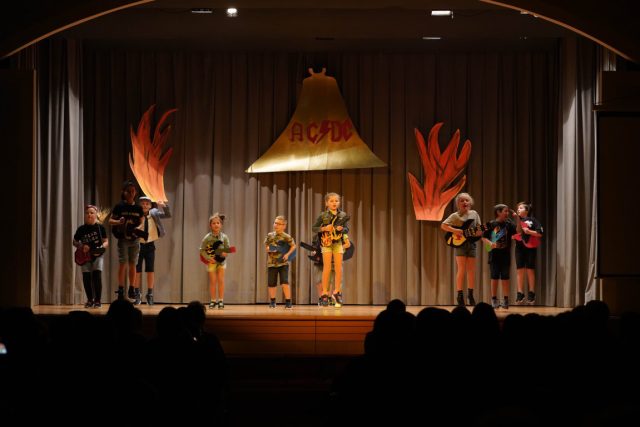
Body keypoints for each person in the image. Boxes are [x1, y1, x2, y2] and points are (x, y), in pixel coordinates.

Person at [441, 192, 483, 306]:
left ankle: (470, 295)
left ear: (470, 202)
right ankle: (460, 295)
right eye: (462, 200)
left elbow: (479, 229)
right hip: (460, 245)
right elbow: (443, 225)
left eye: (467, 200)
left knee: (471, 270)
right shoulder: (455, 215)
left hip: (472, 244)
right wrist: (455, 230)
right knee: (461, 269)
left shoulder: (474, 214)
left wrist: (479, 232)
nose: (465, 202)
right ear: (458, 204)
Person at [312, 192, 350, 307]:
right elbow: (314, 228)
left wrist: (342, 229)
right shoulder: (323, 215)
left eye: (336, 201)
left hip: (338, 243)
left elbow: (347, 229)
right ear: (326, 203)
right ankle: (324, 293)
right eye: (332, 201)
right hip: (326, 243)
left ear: (339, 202)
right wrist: (324, 228)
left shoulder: (343, 215)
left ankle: (337, 292)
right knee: (327, 267)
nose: (334, 203)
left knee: (339, 268)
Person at [109, 180, 145, 302]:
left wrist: (138, 228)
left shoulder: (138, 208)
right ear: (123, 192)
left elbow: (142, 222)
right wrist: (118, 222)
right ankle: (121, 289)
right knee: (123, 263)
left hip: (134, 239)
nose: (131, 193)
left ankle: (132, 288)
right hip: (123, 239)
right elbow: (110, 221)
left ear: (135, 193)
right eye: (128, 191)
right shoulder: (119, 206)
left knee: (133, 264)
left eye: (133, 191)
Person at [133, 196, 171, 306]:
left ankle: (150, 294)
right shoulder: (136, 215)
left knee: (150, 270)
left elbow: (168, 215)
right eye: (142, 203)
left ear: (150, 205)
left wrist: (163, 206)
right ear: (139, 205)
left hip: (150, 245)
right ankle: (137, 294)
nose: (145, 205)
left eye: (147, 203)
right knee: (137, 271)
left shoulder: (154, 213)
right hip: (138, 245)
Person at [482, 204, 517, 309]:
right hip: (494, 255)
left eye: (507, 211)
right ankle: (494, 299)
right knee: (494, 277)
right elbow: (483, 237)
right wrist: (490, 243)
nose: (507, 213)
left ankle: (506, 300)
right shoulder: (490, 224)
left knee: (505, 277)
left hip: (505, 255)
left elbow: (518, 232)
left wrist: (517, 219)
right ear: (498, 212)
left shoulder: (509, 224)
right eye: (505, 211)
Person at [73, 204, 109, 308]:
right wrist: (81, 246)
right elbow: (74, 241)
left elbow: (106, 241)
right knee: (86, 278)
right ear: (85, 215)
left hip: (97, 255)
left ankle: (97, 300)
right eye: (87, 213)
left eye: (92, 213)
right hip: (85, 257)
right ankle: (90, 300)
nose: (89, 215)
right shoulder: (81, 229)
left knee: (97, 276)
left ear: (96, 214)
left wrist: (101, 247)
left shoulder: (100, 228)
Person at [513, 201, 544, 305]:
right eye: (518, 208)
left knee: (530, 269)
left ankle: (531, 292)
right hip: (519, 247)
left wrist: (529, 232)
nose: (518, 209)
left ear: (527, 210)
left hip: (530, 247)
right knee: (519, 270)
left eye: (521, 208)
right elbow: (517, 231)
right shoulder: (516, 220)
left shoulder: (533, 220)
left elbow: (540, 233)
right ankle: (520, 292)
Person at [200, 213, 232, 309]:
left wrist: (225, 253)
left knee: (221, 281)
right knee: (213, 281)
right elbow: (202, 250)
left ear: (221, 225)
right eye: (214, 223)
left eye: (218, 223)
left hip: (221, 262)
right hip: (211, 262)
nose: (216, 225)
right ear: (210, 225)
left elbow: (228, 249)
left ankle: (221, 300)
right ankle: (213, 300)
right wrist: (208, 258)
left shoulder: (224, 237)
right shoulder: (207, 237)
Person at [264, 215, 296, 309]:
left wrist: (287, 254)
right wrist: (269, 249)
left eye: (278, 224)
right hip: (272, 263)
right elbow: (266, 246)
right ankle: (272, 301)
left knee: (284, 282)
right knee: (271, 283)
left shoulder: (286, 236)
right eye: (275, 223)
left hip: (283, 263)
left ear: (284, 226)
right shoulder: (270, 235)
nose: (276, 225)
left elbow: (293, 246)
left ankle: (288, 302)